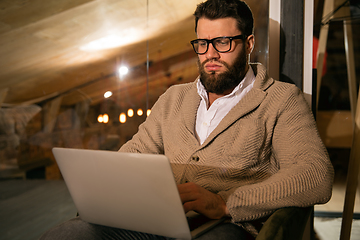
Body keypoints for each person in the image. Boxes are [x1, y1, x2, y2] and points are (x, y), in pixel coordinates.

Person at [40, 0, 334, 239]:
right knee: (67, 233)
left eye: (222, 43)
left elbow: (315, 176)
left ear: (249, 43)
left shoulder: (280, 99)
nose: (210, 55)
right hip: (155, 219)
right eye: (203, 43)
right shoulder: (174, 98)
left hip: (227, 226)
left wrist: (225, 203)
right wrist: (108, 189)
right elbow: (134, 153)